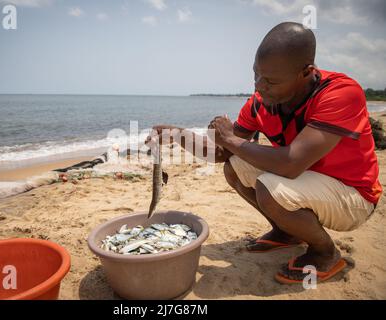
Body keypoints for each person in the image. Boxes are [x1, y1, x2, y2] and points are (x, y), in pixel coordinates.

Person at [147, 22, 382, 284]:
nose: (259, 87)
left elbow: (291, 164)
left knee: (270, 187)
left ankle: (325, 253)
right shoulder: (261, 102)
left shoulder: (340, 93)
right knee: (235, 165)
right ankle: (287, 233)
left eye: (270, 80)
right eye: (256, 75)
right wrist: (177, 134)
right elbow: (222, 153)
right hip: (308, 182)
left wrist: (228, 138)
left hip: (353, 196)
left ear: (306, 73)